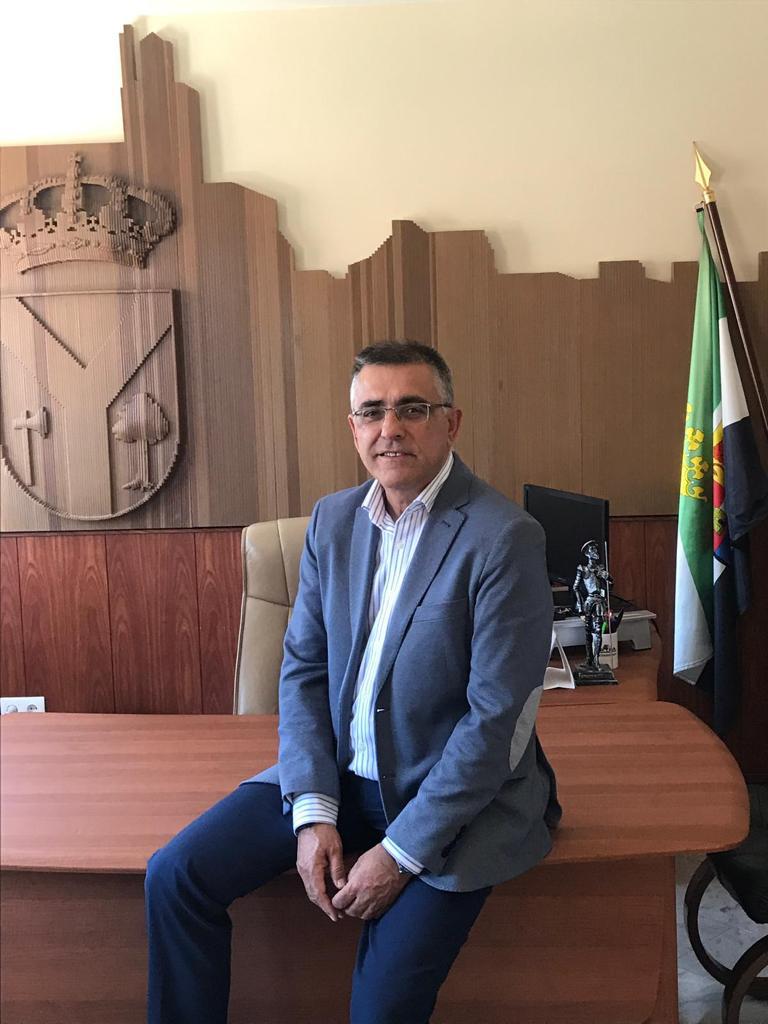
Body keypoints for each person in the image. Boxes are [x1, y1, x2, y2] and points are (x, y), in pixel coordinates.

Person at [145, 340, 561, 1024]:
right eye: (372, 412)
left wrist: (399, 854)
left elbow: (495, 722)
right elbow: (304, 671)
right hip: (339, 776)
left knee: (380, 1010)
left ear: (451, 423)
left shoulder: (503, 537)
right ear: (353, 427)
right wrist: (313, 811)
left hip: (447, 802)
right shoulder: (333, 521)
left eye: (412, 409)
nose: (389, 428)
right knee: (175, 876)